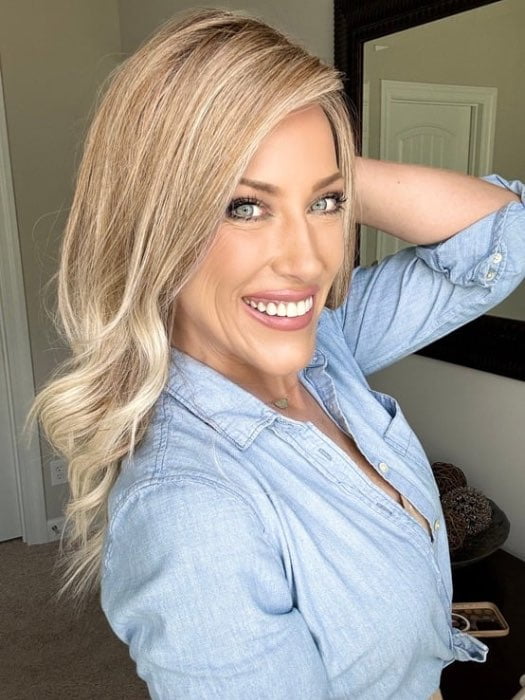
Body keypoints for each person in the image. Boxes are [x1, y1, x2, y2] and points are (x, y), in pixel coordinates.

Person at [28, 8, 525, 700]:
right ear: (154, 222)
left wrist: (319, 164)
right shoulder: (195, 515)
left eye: (327, 204)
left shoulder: (324, 347)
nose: (308, 260)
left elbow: (502, 241)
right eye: (243, 206)